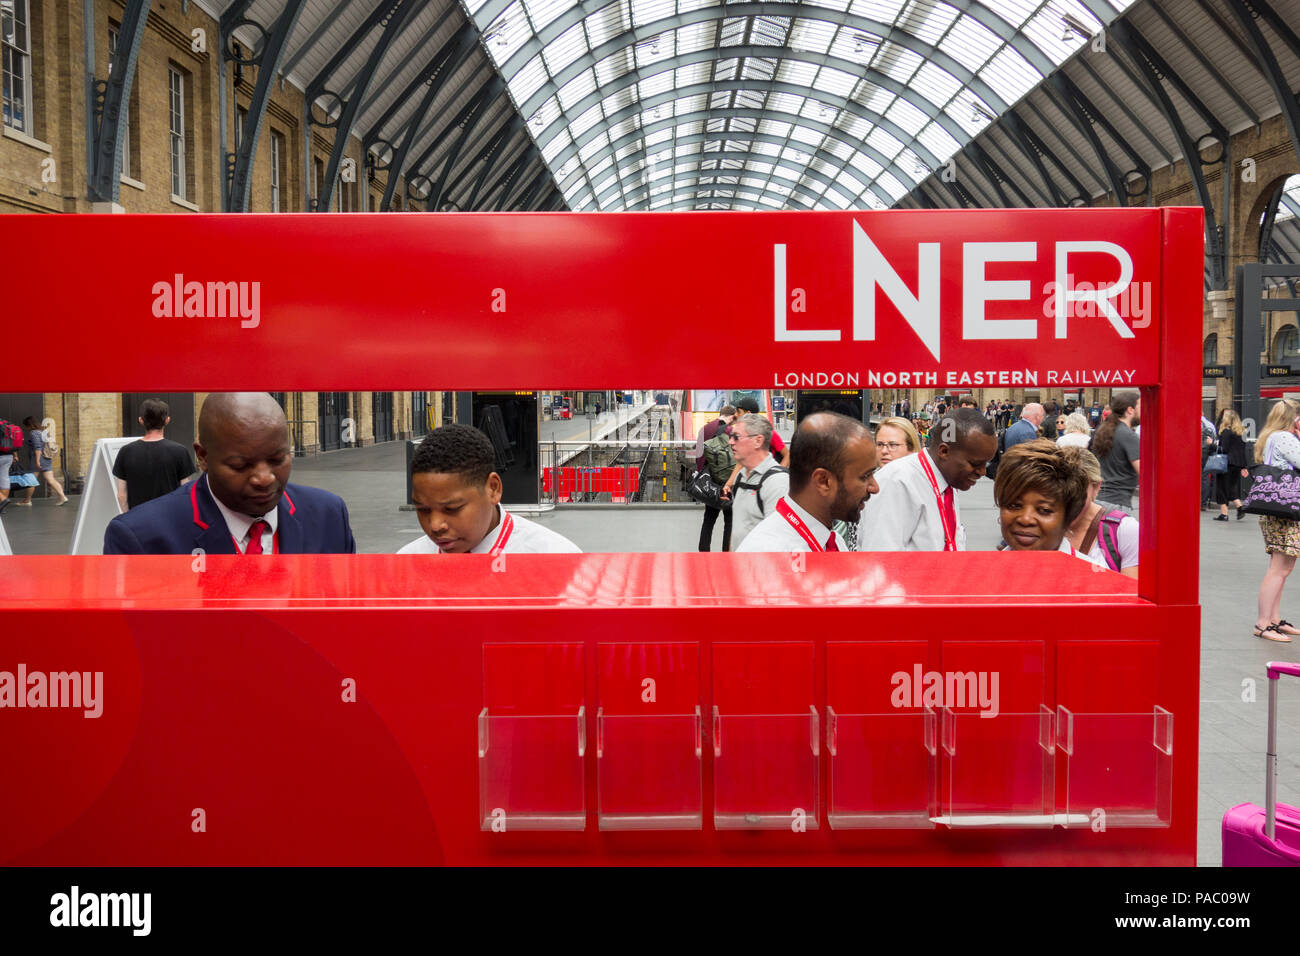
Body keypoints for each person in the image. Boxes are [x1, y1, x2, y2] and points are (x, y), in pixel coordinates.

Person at [104, 392, 356, 555]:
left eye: (278, 459)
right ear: (202, 457)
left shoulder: (329, 517)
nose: (264, 478)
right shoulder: (140, 540)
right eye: (240, 465)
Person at [400, 423, 579, 554]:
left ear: (493, 489)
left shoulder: (556, 559)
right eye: (423, 510)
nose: (435, 525)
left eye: (451, 508)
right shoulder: (406, 563)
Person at [858, 408, 997, 551]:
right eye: (975, 464)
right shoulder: (896, 483)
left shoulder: (948, 482)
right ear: (944, 452)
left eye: (985, 464)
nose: (982, 472)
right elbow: (881, 561)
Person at [738, 413, 878, 553]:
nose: (875, 487)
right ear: (823, 482)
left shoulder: (834, 541)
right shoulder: (768, 553)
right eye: (865, 476)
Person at [993, 439, 1090, 557]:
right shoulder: (982, 572)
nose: (1025, 519)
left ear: (1069, 517)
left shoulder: (1095, 574)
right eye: (1014, 505)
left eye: (1044, 510)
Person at [1254, 400, 1300, 642]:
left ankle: (1273, 619)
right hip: (1285, 512)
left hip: (1278, 510)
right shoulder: (1285, 438)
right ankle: (1263, 623)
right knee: (1279, 568)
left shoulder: (1271, 436)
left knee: (1283, 568)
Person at [1060, 446, 1139, 576]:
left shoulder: (1125, 530)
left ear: (1096, 487)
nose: (1067, 506)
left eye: (1075, 497)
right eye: (1058, 496)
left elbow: (1129, 593)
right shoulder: (1042, 527)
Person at [112, 398, 196, 511]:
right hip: (168, 518)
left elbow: (121, 495)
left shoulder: (125, 452)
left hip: (137, 520)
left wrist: (128, 518)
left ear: (141, 420)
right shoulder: (180, 451)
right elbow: (185, 492)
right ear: (167, 420)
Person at [726, 413, 789, 549]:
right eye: (731, 437)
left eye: (736, 437)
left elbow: (778, 540)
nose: (730, 442)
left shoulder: (777, 482)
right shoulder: (740, 477)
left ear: (758, 441)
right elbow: (737, 528)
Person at [697, 405, 738, 551]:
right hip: (729, 483)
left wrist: (704, 477)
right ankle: (726, 552)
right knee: (729, 521)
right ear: (732, 417)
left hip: (712, 482)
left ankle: (704, 551)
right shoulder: (731, 431)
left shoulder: (704, 429)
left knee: (708, 520)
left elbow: (699, 457)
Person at [1091, 392, 1141, 514]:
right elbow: (1144, 472)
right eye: (1140, 406)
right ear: (1130, 410)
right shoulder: (1129, 436)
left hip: (1099, 500)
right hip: (1118, 503)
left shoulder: (1103, 430)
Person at [1213, 409, 1249, 522]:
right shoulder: (1241, 432)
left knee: (1222, 487)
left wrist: (1211, 445)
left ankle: (1224, 514)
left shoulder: (1226, 432)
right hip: (1237, 464)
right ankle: (1240, 507)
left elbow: (1224, 449)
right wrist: (1243, 466)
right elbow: (1242, 450)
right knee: (1231, 487)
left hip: (1226, 463)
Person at [24, 417, 68, 506]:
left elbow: (38, 448)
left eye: (26, 426)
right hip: (47, 458)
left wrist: (37, 461)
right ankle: (63, 496)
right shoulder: (44, 432)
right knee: (51, 479)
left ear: (29, 425)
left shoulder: (34, 433)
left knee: (31, 480)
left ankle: (27, 500)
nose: (26, 428)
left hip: (38, 459)